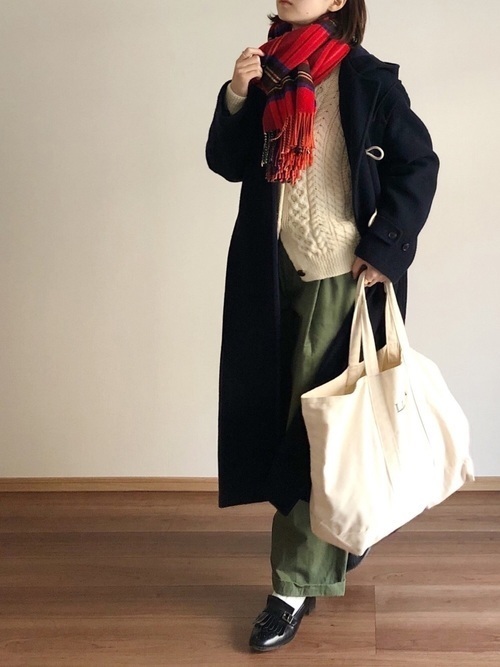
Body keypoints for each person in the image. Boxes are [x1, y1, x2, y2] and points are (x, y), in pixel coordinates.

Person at [206, 0, 439, 653]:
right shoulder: (270, 71)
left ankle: (291, 585)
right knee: (284, 419)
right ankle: (339, 531)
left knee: (313, 432)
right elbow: (228, 162)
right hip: (270, 271)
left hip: (339, 277)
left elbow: (419, 165)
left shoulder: (370, 80)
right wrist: (236, 95)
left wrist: (387, 246)